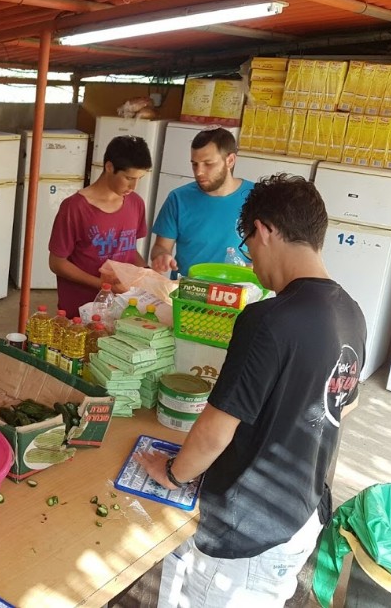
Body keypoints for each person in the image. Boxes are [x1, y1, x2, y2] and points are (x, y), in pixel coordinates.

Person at [137, 174, 366, 607]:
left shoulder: (268, 320)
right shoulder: (351, 312)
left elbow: (213, 432)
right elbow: (344, 404)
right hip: (301, 514)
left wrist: (171, 473)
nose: (251, 262)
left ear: (264, 230)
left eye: (247, 246)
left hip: (247, 530)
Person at [48, 134, 151, 317]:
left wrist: (147, 275)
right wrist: (103, 285)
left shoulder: (136, 203)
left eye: (139, 178)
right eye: (129, 178)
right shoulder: (74, 208)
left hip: (124, 307)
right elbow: (57, 263)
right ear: (109, 167)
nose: (134, 186)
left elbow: (128, 249)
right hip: (81, 310)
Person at [150, 127, 253, 277]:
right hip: (188, 293)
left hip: (239, 293)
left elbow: (274, 251)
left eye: (208, 164)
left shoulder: (256, 197)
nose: (199, 172)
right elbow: (160, 247)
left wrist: (258, 267)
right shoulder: (178, 199)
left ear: (230, 160)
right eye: (194, 164)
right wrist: (161, 256)